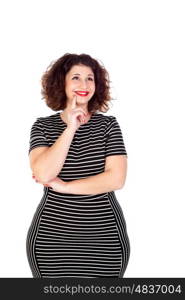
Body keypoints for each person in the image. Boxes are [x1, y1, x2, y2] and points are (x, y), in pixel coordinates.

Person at [26, 53, 130, 278]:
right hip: (52, 240)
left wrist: (65, 187)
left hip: (104, 239)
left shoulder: (108, 125)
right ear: (61, 82)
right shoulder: (42, 126)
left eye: (90, 78)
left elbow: (116, 179)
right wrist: (71, 127)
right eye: (76, 77)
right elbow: (44, 172)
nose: (84, 85)